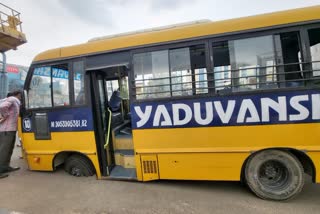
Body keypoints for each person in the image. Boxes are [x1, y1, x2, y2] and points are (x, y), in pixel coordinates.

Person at [0, 90, 22, 179]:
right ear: (18, 95)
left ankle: (5, 167)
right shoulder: (13, 99)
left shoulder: (11, 100)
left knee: (9, 150)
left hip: (10, 129)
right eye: (20, 96)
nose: (21, 97)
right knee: (4, 151)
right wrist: (6, 115)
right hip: (7, 130)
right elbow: (2, 107)